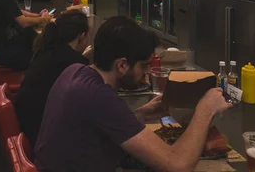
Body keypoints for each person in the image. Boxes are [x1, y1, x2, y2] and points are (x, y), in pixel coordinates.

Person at [35, 16, 232, 172]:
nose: (147, 73)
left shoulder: (75, 70)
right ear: (122, 65)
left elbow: (101, 126)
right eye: (144, 66)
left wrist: (143, 114)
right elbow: (178, 165)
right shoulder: (100, 98)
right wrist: (205, 110)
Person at [16, 10, 90, 148]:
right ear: (82, 36)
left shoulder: (47, 49)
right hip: (43, 137)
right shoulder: (73, 64)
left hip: (28, 125)